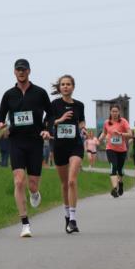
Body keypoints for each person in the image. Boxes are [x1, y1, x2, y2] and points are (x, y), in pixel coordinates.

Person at [0, 58, 52, 238]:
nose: (21, 72)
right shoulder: (9, 94)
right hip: (16, 141)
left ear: (29, 71)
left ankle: (34, 193)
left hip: (35, 142)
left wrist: (46, 129)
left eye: (24, 70)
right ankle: (25, 223)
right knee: (19, 180)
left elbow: (51, 114)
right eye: (18, 70)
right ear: (14, 72)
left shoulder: (40, 93)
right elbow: (0, 117)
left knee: (32, 184)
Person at [48, 74, 86, 233]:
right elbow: (48, 122)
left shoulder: (79, 105)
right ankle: (66, 215)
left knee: (72, 181)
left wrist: (83, 128)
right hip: (60, 146)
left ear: (73, 87)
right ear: (59, 88)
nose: (65, 86)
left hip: (76, 146)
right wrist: (60, 119)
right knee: (64, 184)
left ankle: (73, 219)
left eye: (68, 84)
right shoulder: (54, 104)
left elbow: (82, 120)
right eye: (62, 84)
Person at [98, 104, 132, 198]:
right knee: (113, 167)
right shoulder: (107, 122)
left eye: (116, 111)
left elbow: (130, 134)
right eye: (113, 111)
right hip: (110, 149)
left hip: (122, 150)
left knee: (120, 170)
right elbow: (104, 133)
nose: (114, 113)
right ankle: (114, 188)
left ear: (119, 112)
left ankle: (120, 183)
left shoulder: (123, 122)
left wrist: (120, 134)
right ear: (110, 112)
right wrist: (99, 140)